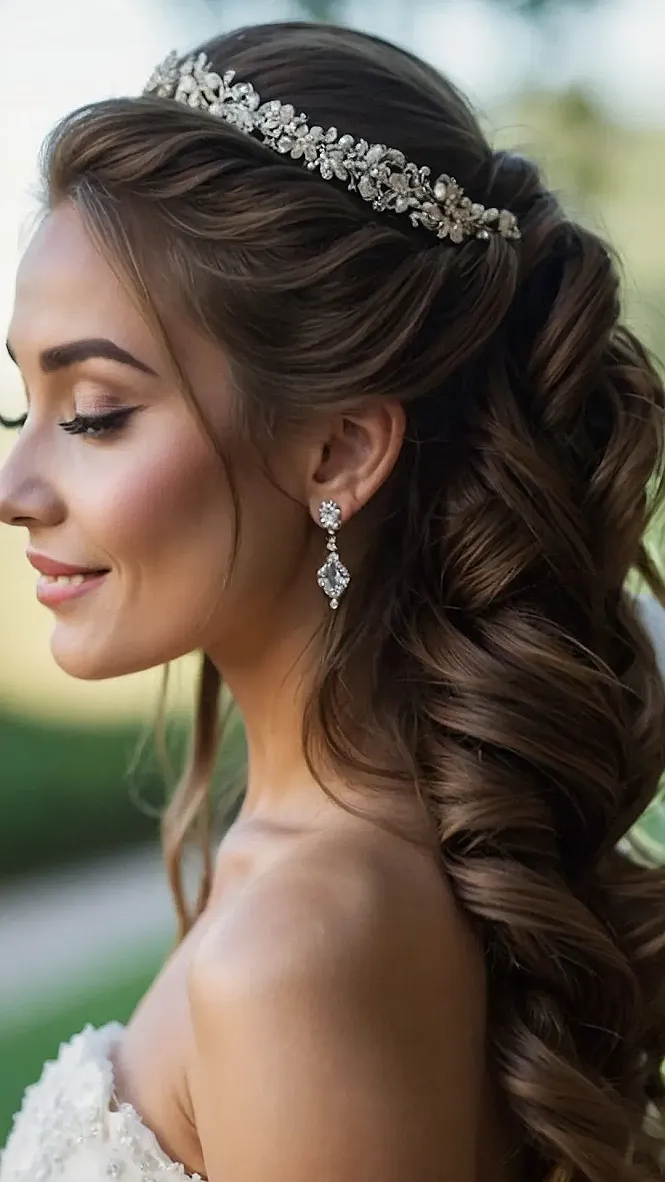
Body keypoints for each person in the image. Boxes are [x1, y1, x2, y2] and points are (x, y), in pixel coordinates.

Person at [1, 19, 664, 1182]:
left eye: (95, 412)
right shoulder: (333, 872)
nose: (15, 490)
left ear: (339, 453)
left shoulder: (301, 943)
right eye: (23, 407)